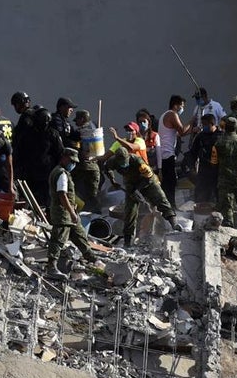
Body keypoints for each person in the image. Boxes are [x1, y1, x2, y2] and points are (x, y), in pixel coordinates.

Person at [102, 147, 180, 247]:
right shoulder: (113, 161)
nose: (123, 165)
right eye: (121, 163)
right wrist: (113, 181)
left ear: (128, 157)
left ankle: (174, 224)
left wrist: (138, 189)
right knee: (130, 211)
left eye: (125, 162)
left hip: (147, 182)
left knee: (161, 199)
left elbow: (149, 178)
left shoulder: (138, 161)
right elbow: (107, 168)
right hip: (130, 184)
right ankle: (128, 240)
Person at [45, 148, 98, 280]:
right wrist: (71, 212)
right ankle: (51, 267)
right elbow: (62, 194)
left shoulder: (60, 172)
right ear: (64, 158)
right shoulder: (61, 174)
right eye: (71, 161)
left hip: (68, 213)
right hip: (63, 214)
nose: (73, 164)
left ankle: (93, 260)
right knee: (58, 240)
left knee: (80, 235)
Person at [211, 117, 237, 225]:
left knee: (226, 209)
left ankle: (229, 230)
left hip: (225, 180)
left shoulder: (218, 143)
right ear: (236, 127)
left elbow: (214, 162)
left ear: (225, 127)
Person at [157, 95, 194, 209]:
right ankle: (170, 206)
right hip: (167, 154)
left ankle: (165, 205)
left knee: (167, 182)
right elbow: (182, 131)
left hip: (164, 154)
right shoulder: (172, 114)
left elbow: (177, 134)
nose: (182, 109)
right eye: (182, 106)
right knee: (171, 182)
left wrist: (193, 130)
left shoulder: (165, 115)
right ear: (176, 105)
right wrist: (192, 121)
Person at [70, 109, 101, 213]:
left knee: (77, 191)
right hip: (94, 167)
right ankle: (94, 213)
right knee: (92, 194)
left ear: (82, 119)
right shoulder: (94, 128)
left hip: (84, 167)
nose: (76, 123)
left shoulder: (83, 131)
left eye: (77, 120)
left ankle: (91, 213)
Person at [184, 113, 220, 204]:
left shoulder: (220, 137)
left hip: (218, 172)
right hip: (203, 171)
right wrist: (191, 168)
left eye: (205, 124)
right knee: (201, 197)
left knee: (217, 197)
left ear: (212, 124)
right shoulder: (200, 137)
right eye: (203, 124)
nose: (204, 127)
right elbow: (193, 154)